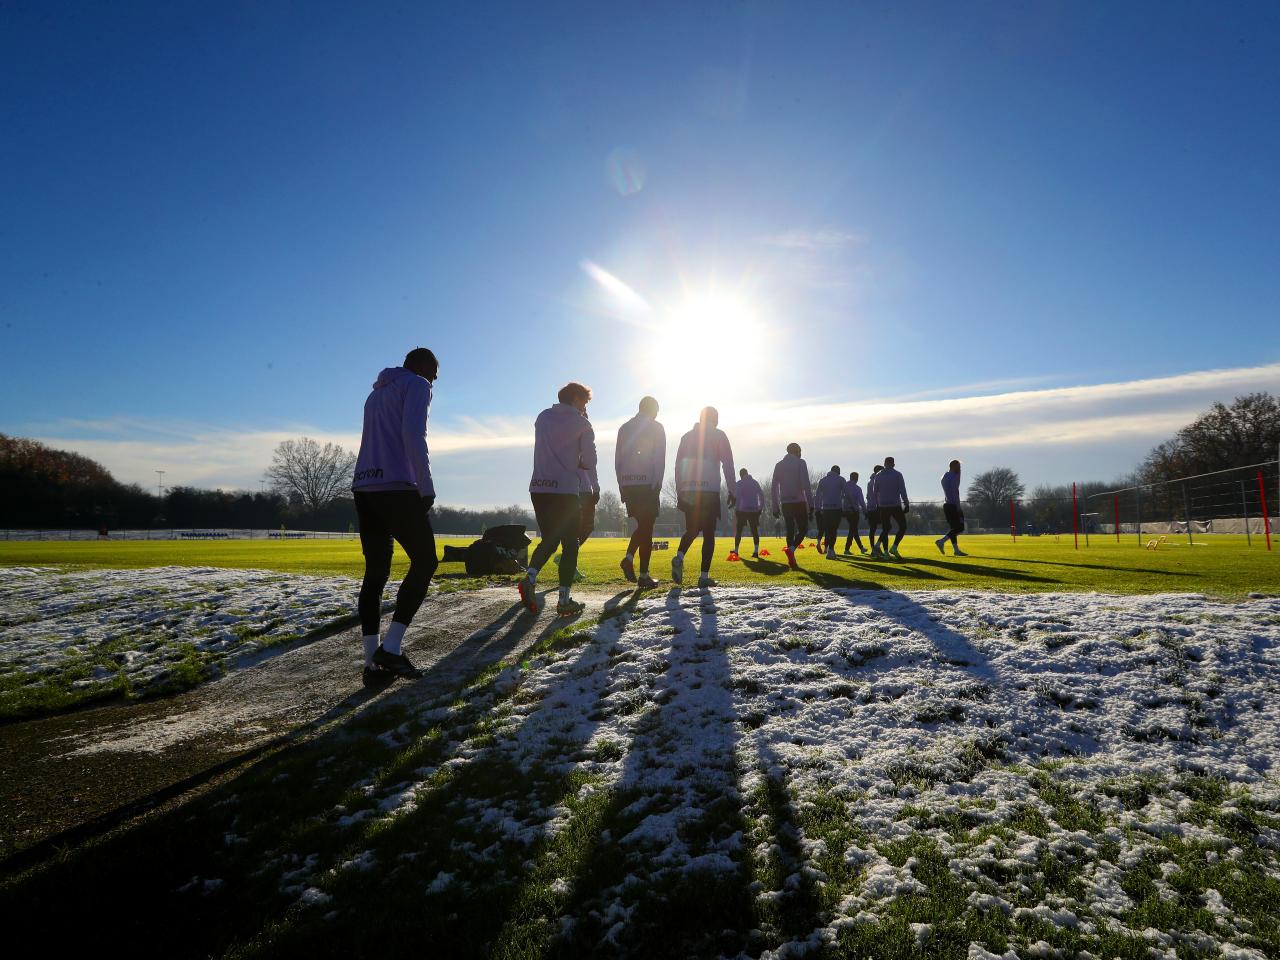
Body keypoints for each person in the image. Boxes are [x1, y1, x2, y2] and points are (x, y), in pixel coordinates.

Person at [351, 347, 441, 683]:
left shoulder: (375, 394)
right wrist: (426, 485)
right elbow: (412, 434)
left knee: (375, 573)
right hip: (397, 487)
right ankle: (391, 647)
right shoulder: (416, 384)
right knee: (426, 561)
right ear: (423, 368)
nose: (434, 382)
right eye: (434, 374)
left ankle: (372, 665)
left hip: (364, 486)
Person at [518, 382, 597, 617]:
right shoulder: (583, 424)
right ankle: (564, 599)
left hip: (539, 487)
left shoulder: (542, 417)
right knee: (570, 544)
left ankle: (530, 577)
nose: (585, 406)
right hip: (565, 490)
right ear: (576, 398)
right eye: (584, 401)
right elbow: (590, 462)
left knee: (550, 539)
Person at [672, 407, 736, 588]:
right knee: (709, 534)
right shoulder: (719, 435)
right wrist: (733, 490)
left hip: (689, 489)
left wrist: (680, 490)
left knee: (692, 530)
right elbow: (728, 464)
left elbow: (678, 466)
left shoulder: (686, 437)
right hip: (709, 490)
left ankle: (679, 557)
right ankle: (703, 576)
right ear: (715, 419)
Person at [615, 396, 665, 590]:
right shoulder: (656, 427)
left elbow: (618, 459)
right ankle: (643, 574)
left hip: (628, 483)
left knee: (643, 526)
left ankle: (629, 559)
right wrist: (657, 483)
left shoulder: (624, 427)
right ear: (652, 409)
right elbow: (659, 457)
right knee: (647, 529)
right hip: (647, 484)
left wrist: (621, 484)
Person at [771, 442, 814, 570]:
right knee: (803, 529)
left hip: (785, 502)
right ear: (797, 451)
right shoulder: (801, 463)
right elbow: (806, 484)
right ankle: (792, 550)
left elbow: (774, 487)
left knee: (789, 530)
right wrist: (811, 504)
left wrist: (775, 506)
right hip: (799, 501)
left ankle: (792, 559)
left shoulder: (779, 465)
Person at [876, 455, 910, 558]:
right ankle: (894, 547)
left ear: (884, 463)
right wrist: (906, 503)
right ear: (893, 464)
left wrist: (878, 504)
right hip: (895, 505)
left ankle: (877, 546)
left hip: (883, 506)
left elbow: (875, 491)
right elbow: (902, 490)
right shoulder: (897, 474)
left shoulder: (878, 475)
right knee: (903, 526)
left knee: (886, 528)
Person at [936, 459, 968, 556]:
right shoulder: (952, 477)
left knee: (953, 528)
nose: (960, 469)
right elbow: (955, 492)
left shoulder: (944, 476)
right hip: (953, 505)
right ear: (953, 466)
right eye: (958, 467)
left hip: (947, 505)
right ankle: (941, 541)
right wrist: (958, 507)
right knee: (960, 527)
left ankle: (956, 550)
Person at [815, 466, 847, 560]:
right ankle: (831, 550)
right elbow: (847, 494)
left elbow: (818, 495)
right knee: (834, 530)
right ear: (838, 471)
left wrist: (817, 508)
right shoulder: (841, 479)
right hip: (837, 508)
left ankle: (829, 549)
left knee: (828, 530)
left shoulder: (823, 480)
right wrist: (848, 506)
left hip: (826, 508)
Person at [734, 467, 764, 558]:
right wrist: (760, 508)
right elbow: (761, 496)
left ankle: (736, 551)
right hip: (754, 510)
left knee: (739, 531)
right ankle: (756, 551)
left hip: (742, 510)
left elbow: (738, 497)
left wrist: (736, 509)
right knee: (754, 531)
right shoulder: (755, 483)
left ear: (741, 475)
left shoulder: (740, 483)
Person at [841, 470, 868, 555]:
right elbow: (861, 502)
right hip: (854, 511)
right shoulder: (857, 488)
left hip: (845, 510)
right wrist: (865, 512)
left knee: (854, 530)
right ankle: (847, 549)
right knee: (852, 530)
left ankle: (861, 547)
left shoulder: (844, 486)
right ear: (857, 478)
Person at [865, 464, 885, 558]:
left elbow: (867, 496)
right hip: (878, 507)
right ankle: (879, 548)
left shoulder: (869, 481)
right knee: (886, 527)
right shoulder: (877, 480)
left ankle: (874, 549)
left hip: (870, 508)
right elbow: (878, 494)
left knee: (872, 529)